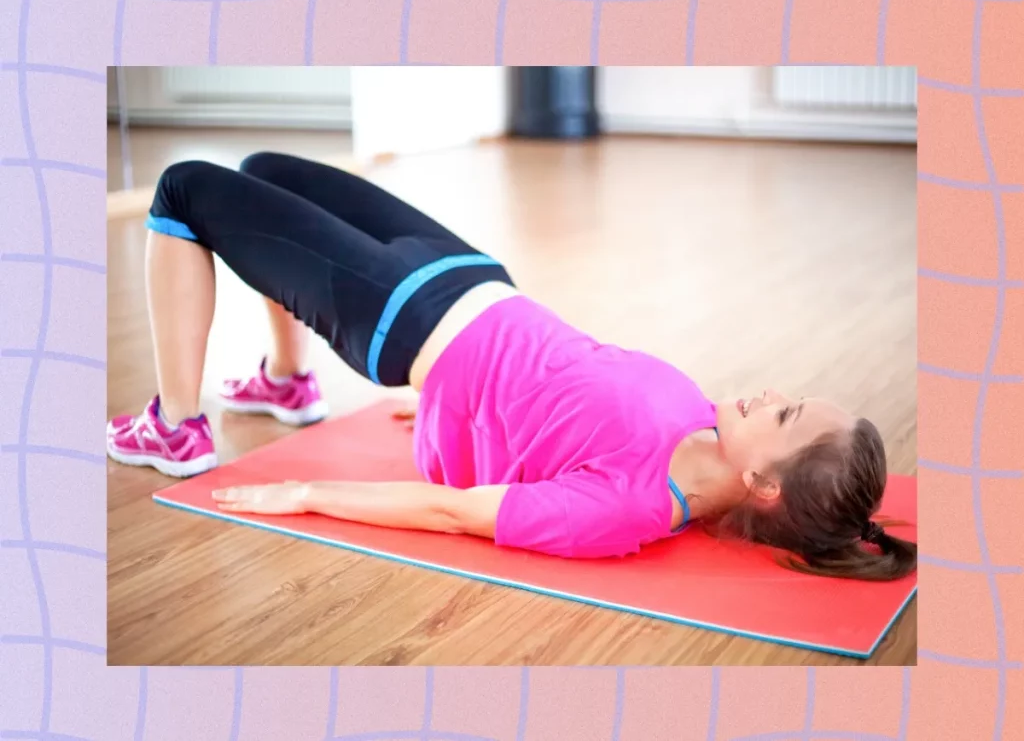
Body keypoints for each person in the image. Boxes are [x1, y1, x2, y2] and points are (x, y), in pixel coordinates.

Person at [107, 153, 917, 581]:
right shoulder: (709, 422)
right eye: (791, 399)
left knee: (185, 189)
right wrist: (474, 412)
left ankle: (177, 429)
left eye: (784, 415)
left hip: (401, 317)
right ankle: (286, 384)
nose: (772, 395)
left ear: (766, 486)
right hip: (470, 274)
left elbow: (456, 513)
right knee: (264, 170)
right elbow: (572, 394)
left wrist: (310, 494)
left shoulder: (625, 512)